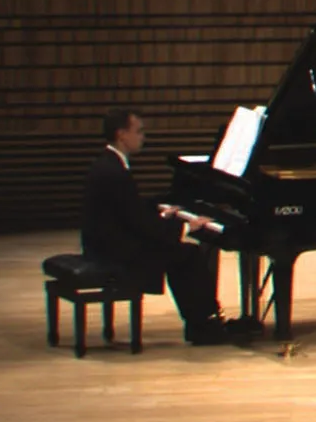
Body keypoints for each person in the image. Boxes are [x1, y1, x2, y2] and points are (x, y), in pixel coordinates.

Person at [81, 108, 237, 344]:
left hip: (107, 244)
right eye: (139, 131)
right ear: (122, 134)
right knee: (189, 255)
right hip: (116, 252)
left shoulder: (108, 163)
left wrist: (160, 209)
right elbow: (137, 222)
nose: (143, 136)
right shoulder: (114, 172)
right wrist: (186, 228)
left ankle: (202, 322)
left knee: (183, 253)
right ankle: (203, 326)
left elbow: (129, 207)